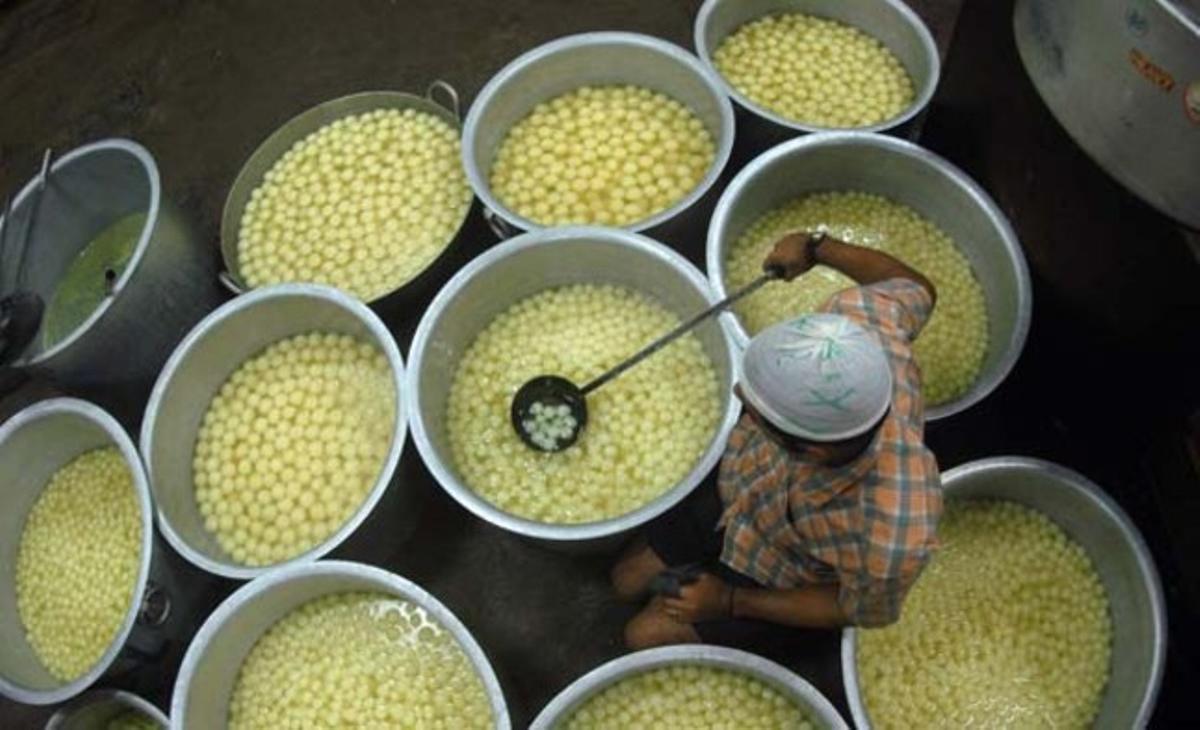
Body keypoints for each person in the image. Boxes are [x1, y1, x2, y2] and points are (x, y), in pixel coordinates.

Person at [611, 230, 942, 650]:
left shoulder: (893, 532)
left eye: (752, 411)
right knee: (625, 580)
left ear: (810, 451)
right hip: (738, 490)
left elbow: (853, 608)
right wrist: (818, 249)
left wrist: (731, 600)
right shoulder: (851, 324)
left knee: (641, 635)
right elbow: (919, 289)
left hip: (781, 574)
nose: (737, 401)